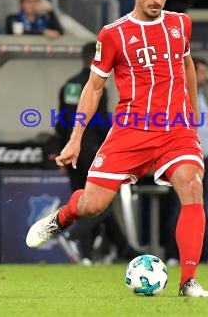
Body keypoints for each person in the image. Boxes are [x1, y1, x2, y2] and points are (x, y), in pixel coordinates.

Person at [27, 0, 208, 297]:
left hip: (175, 130)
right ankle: (63, 217)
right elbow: (94, 87)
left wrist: (192, 113)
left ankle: (188, 282)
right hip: (130, 132)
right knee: (93, 205)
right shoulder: (113, 34)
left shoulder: (180, 24)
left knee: (192, 186)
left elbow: (186, 66)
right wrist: (75, 140)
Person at [55, 41, 139, 264]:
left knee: (83, 203)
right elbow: (100, 122)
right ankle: (74, 237)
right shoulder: (97, 87)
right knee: (100, 203)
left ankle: (96, 253)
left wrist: (63, 149)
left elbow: (61, 123)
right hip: (92, 150)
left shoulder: (69, 85)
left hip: (72, 150)